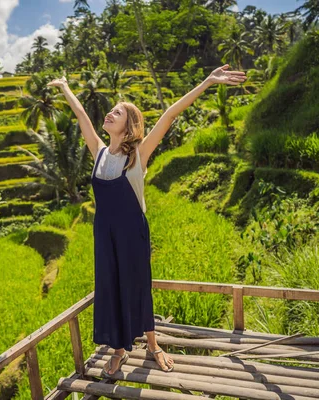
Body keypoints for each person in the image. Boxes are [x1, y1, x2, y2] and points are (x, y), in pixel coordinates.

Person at [47, 64, 247, 377]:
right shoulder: (98, 153)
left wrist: (208, 81)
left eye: (118, 112)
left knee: (138, 286)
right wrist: (64, 87)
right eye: (111, 111)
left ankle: (153, 344)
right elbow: (82, 115)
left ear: (129, 127)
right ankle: (119, 349)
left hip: (131, 233)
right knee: (110, 286)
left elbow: (170, 113)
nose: (110, 114)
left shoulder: (139, 154)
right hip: (104, 234)